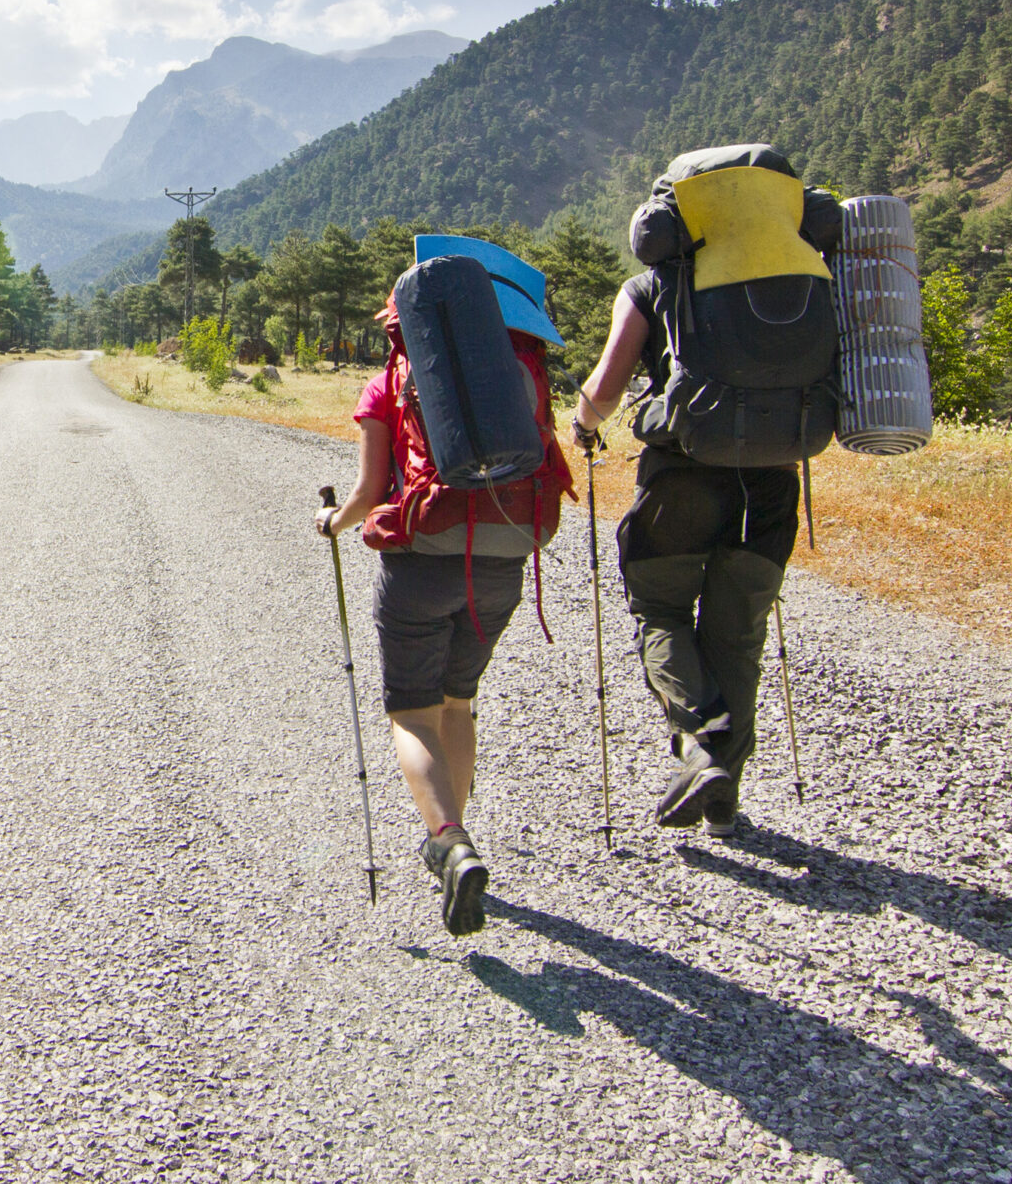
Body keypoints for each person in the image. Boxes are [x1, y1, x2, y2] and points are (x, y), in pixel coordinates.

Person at [315, 291, 565, 936]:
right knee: (459, 702)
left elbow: (371, 493)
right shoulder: (518, 374)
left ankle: (450, 840)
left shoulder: (387, 384)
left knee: (412, 709)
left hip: (421, 564)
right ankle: (459, 829)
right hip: (504, 563)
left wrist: (332, 523)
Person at [570, 252, 802, 840]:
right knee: (738, 638)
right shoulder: (793, 274)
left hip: (683, 476)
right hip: (770, 483)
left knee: (661, 610)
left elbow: (605, 388)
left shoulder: (651, 286)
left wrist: (584, 425)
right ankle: (723, 800)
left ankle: (701, 744)